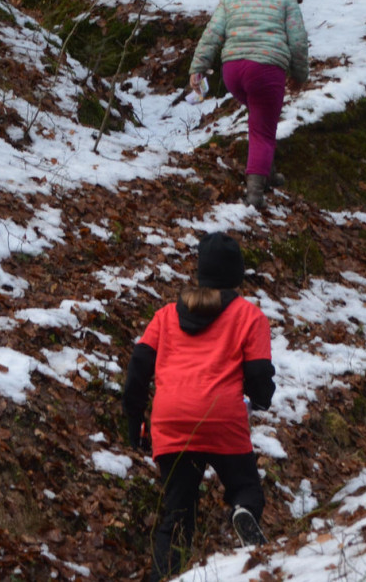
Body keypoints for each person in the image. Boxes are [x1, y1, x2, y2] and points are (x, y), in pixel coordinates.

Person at [122, 231, 276, 581]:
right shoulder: (249, 316)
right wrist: (263, 398)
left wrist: (134, 422)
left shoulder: (164, 316)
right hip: (221, 418)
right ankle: (243, 511)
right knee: (246, 487)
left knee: (176, 515)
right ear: (237, 274)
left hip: (172, 419)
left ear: (200, 271)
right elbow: (258, 372)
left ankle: (164, 577)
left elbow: (137, 367)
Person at [189, 0, 310, 209]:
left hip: (233, 71)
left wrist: (198, 67)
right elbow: (298, 42)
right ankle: (255, 193)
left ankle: (266, 170)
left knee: (260, 119)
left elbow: (213, 33)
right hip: (265, 70)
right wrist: (301, 75)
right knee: (263, 129)